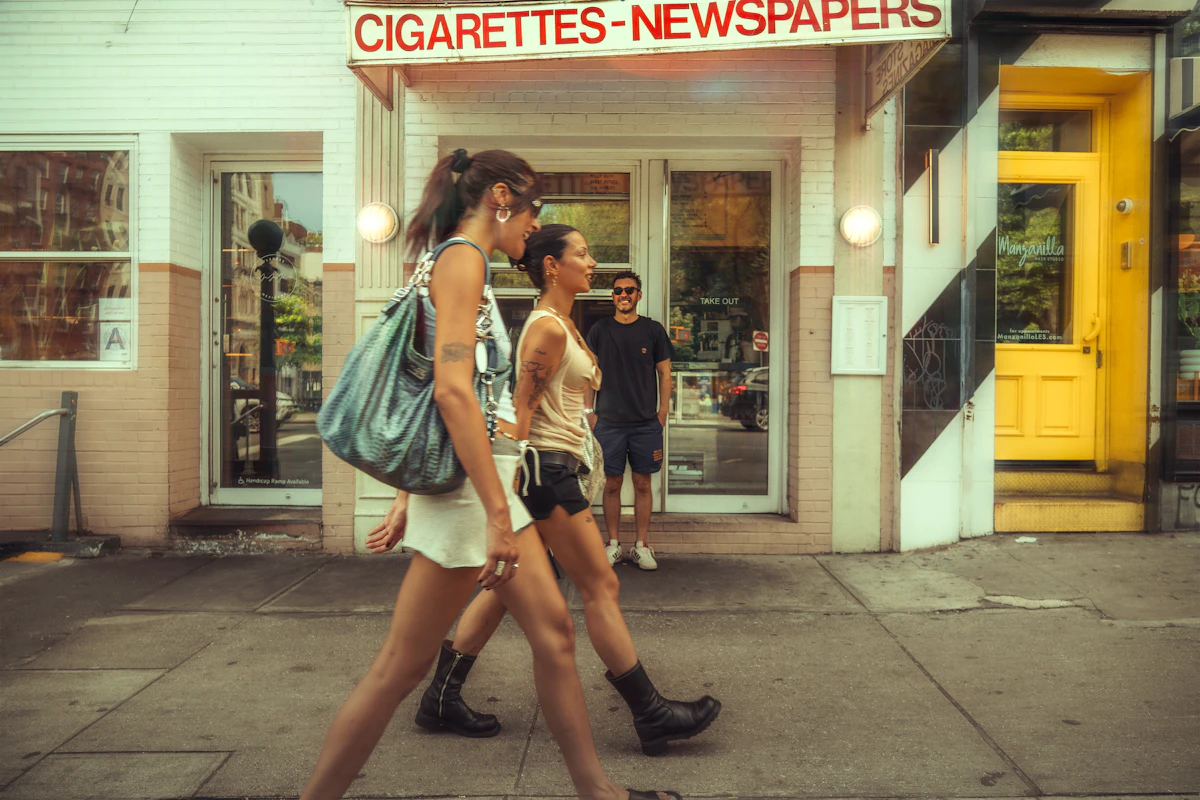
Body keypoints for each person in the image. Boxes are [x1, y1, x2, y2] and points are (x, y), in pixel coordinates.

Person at [299, 151, 680, 800]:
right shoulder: (463, 259)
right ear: (500, 197)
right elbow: (450, 394)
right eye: (533, 211)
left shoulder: (445, 260)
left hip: (476, 491)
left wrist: (409, 495)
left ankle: (600, 793)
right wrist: (497, 516)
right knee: (401, 667)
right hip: (472, 500)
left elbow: (444, 390)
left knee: (553, 636)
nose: (535, 228)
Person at [410, 225, 720, 757]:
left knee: (504, 589)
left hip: (555, 468)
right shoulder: (548, 330)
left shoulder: (570, 325)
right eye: (582, 253)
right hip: (546, 474)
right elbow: (520, 413)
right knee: (602, 585)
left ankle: (440, 697)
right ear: (552, 265)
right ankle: (651, 714)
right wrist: (499, 508)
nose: (593, 262)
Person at [584, 272, 674, 570]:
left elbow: (664, 374)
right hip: (608, 422)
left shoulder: (653, 330)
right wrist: (589, 411)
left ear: (639, 295)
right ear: (613, 296)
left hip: (645, 423)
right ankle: (612, 544)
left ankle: (641, 545)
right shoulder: (599, 330)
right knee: (611, 484)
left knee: (643, 484)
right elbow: (590, 373)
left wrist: (662, 413)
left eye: (630, 290)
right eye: (618, 290)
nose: (624, 295)